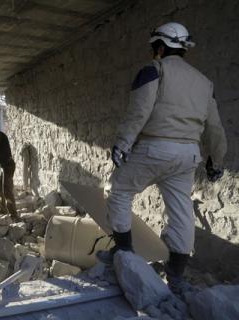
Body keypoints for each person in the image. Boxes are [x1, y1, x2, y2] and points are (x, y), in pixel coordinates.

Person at [96, 22, 227, 294]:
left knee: (119, 191)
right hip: (188, 154)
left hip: (155, 148)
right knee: (181, 212)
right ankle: (176, 277)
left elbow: (139, 112)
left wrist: (123, 143)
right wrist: (218, 159)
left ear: (160, 46)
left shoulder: (154, 71)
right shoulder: (205, 83)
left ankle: (124, 254)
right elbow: (215, 127)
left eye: (154, 47)